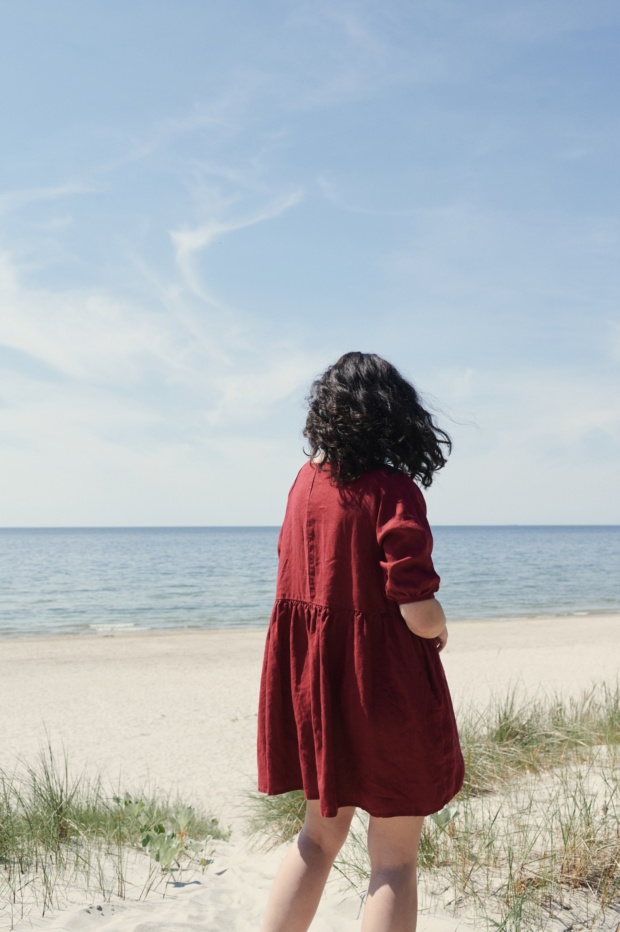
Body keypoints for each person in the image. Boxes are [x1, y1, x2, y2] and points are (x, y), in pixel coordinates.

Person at [257, 351, 464, 932]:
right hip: (383, 688)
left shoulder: (302, 485)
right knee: (393, 860)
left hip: (316, 689)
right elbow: (415, 606)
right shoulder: (392, 490)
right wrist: (440, 625)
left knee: (318, 837)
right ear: (393, 417)